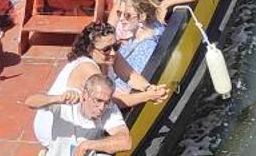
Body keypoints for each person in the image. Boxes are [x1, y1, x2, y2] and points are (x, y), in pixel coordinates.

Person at [29, 23, 168, 112]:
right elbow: (112, 102)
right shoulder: (88, 69)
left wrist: (149, 87)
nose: (113, 52)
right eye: (107, 49)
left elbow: (130, 75)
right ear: (90, 49)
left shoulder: (109, 56)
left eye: (116, 46)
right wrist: (148, 96)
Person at [33, 70, 132, 156]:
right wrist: (56, 99)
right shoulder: (67, 103)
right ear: (85, 95)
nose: (102, 107)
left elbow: (125, 142)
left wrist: (87, 145)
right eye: (98, 100)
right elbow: (31, 102)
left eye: (106, 102)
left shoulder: (110, 110)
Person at [114, 0, 166, 74]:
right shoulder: (133, 40)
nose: (121, 19)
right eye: (119, 13)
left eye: (127, 15)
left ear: (142, 17)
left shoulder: (147, 46)